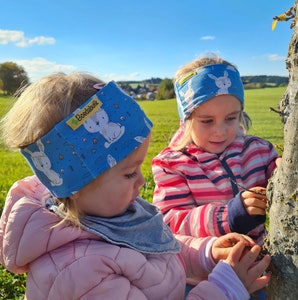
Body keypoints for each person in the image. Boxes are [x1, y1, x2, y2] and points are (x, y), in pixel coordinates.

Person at [0, 72, 271, 300]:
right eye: (130, 174)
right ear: (76, 185)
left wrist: (206, 252)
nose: (142, 181)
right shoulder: (81, 271)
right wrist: (227, 288)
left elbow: (156, 246)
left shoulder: (110, 211)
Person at [151, 55, 280, 297]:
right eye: (207, 121)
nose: (220, 131)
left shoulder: (257, 150)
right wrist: (229, 216)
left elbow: (279, 174)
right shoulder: (173, 164)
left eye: (231, 118)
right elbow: (169, 222)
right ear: (186, 118)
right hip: (203, 280)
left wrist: (282, 168)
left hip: (256, 270)